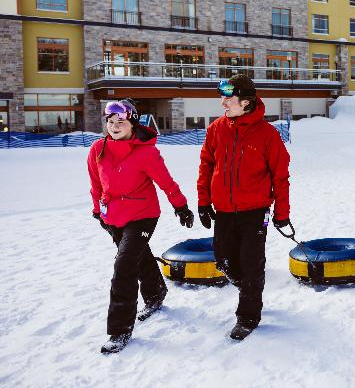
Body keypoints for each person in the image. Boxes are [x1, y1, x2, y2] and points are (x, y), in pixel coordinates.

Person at [87, 99, 194, 354]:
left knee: (124, 265)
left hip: (143, 215)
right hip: (113, 215)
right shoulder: (97, 149)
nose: (114, 126)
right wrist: (97, 211)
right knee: (139, 256)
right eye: (110, 122)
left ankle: (119, 330)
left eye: (120, 122)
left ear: (132, 122)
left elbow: (167, 183)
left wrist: (181, 207)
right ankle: (156, 293)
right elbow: (96, 184)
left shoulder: (146, 152)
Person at [196, 74, 291, 340]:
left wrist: (282, 214)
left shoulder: (267, 134)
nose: (223, 103)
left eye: (228, 98)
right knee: (224, 260)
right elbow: (206, 165)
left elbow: (280, 177)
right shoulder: (216, 128)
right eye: (222, 97)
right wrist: (203, 201)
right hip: (224, 210)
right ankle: (251, 286)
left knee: (251, 262)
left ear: (246, 102)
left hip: (255, 212)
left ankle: (248, 316)